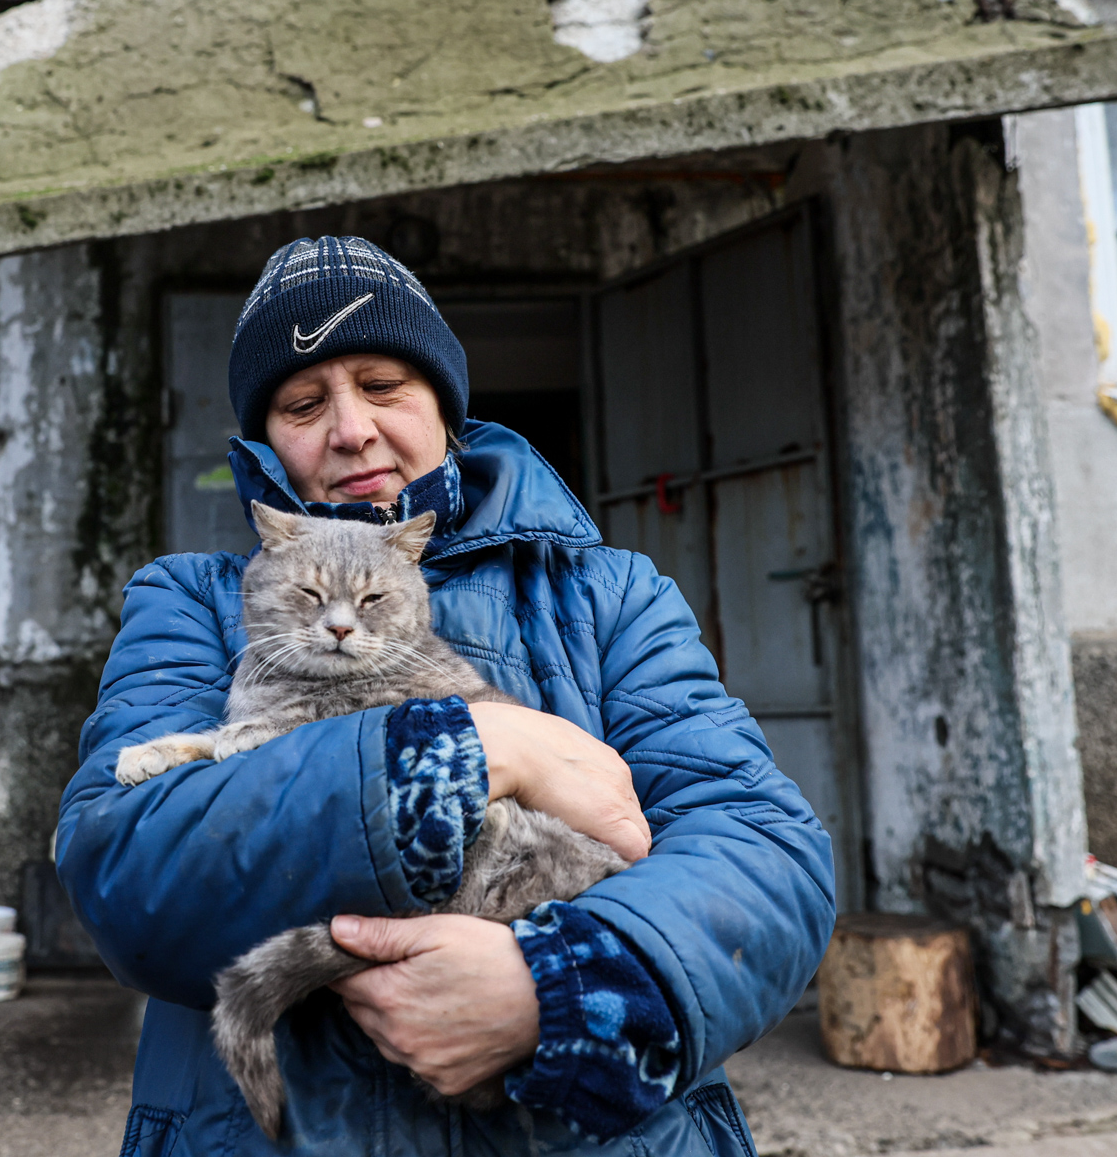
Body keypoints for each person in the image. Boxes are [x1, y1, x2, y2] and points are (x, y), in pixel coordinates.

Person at [56, 236, 834, 1156]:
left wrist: (555, 990)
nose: (350, 430)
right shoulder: (191, 600)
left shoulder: (606, 595)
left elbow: (764, 851)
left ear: (443, 402)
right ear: (265, 439)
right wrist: (481, 752)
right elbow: (126, 868)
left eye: (383, 385)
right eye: (303, 403)